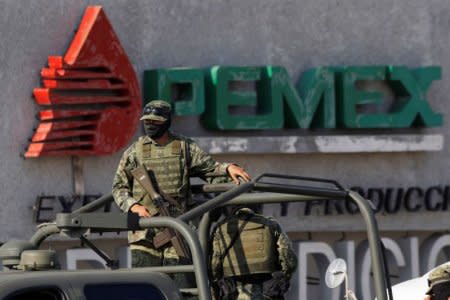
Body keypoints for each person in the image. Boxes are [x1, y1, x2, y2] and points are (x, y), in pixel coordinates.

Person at [112, 100, 250, 270]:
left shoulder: (184, 147)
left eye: (155, 121)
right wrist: (133, 206)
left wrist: (227, 168)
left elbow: (209, 168)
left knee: (181, 284)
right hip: (144, 233)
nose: (150, 125)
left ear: (167, 121)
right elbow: (119, 187)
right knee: (146, 286)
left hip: (178, 228)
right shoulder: (134, 152)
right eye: (147, 121)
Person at [210, 206, 298, 300]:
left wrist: (217, 282)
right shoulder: (270, 224)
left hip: (235, 287)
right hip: (266, 284)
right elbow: (287, 257)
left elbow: (215, 263)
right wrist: (284, 276)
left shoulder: (220, 227)